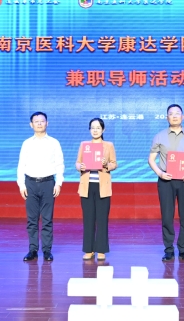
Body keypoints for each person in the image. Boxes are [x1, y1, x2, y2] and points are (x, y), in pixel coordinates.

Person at [148, 104, 184, 262]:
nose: (174, 116)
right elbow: (151, 159)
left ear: (183, 117)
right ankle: (169, 249)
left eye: (178, 113)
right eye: (171, 113)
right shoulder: (159, 136)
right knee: (167, 216)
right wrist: (160, 173)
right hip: (166, 180)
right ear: (167, 117)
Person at [17, 112, 64, 262]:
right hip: (30, 183)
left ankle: (47, 250)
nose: (39, 123)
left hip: (48, 183)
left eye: (42, 121)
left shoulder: (54, 142)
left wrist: (58, 183)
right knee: (32, 219)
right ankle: (32, 250)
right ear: (31, 125)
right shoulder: (26, 143)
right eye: (36, 121)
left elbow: (59, 164)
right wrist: (21, 184)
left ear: (47, 123)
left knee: (47, 219)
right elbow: (21, 165)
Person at [75, 118, 117, 261]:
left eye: (98, 128)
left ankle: (101, 249)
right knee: (88, 219)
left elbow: (114, 163)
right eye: (92, 127)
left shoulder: (108, 145)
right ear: (89, 130)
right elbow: (78, 162)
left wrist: (106, 164)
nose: (95, 130)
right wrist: (80, 166)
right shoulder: (84, 145)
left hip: (102, 186)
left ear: (103, 130)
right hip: (87, 186)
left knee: (102, 218)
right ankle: (89, 249)